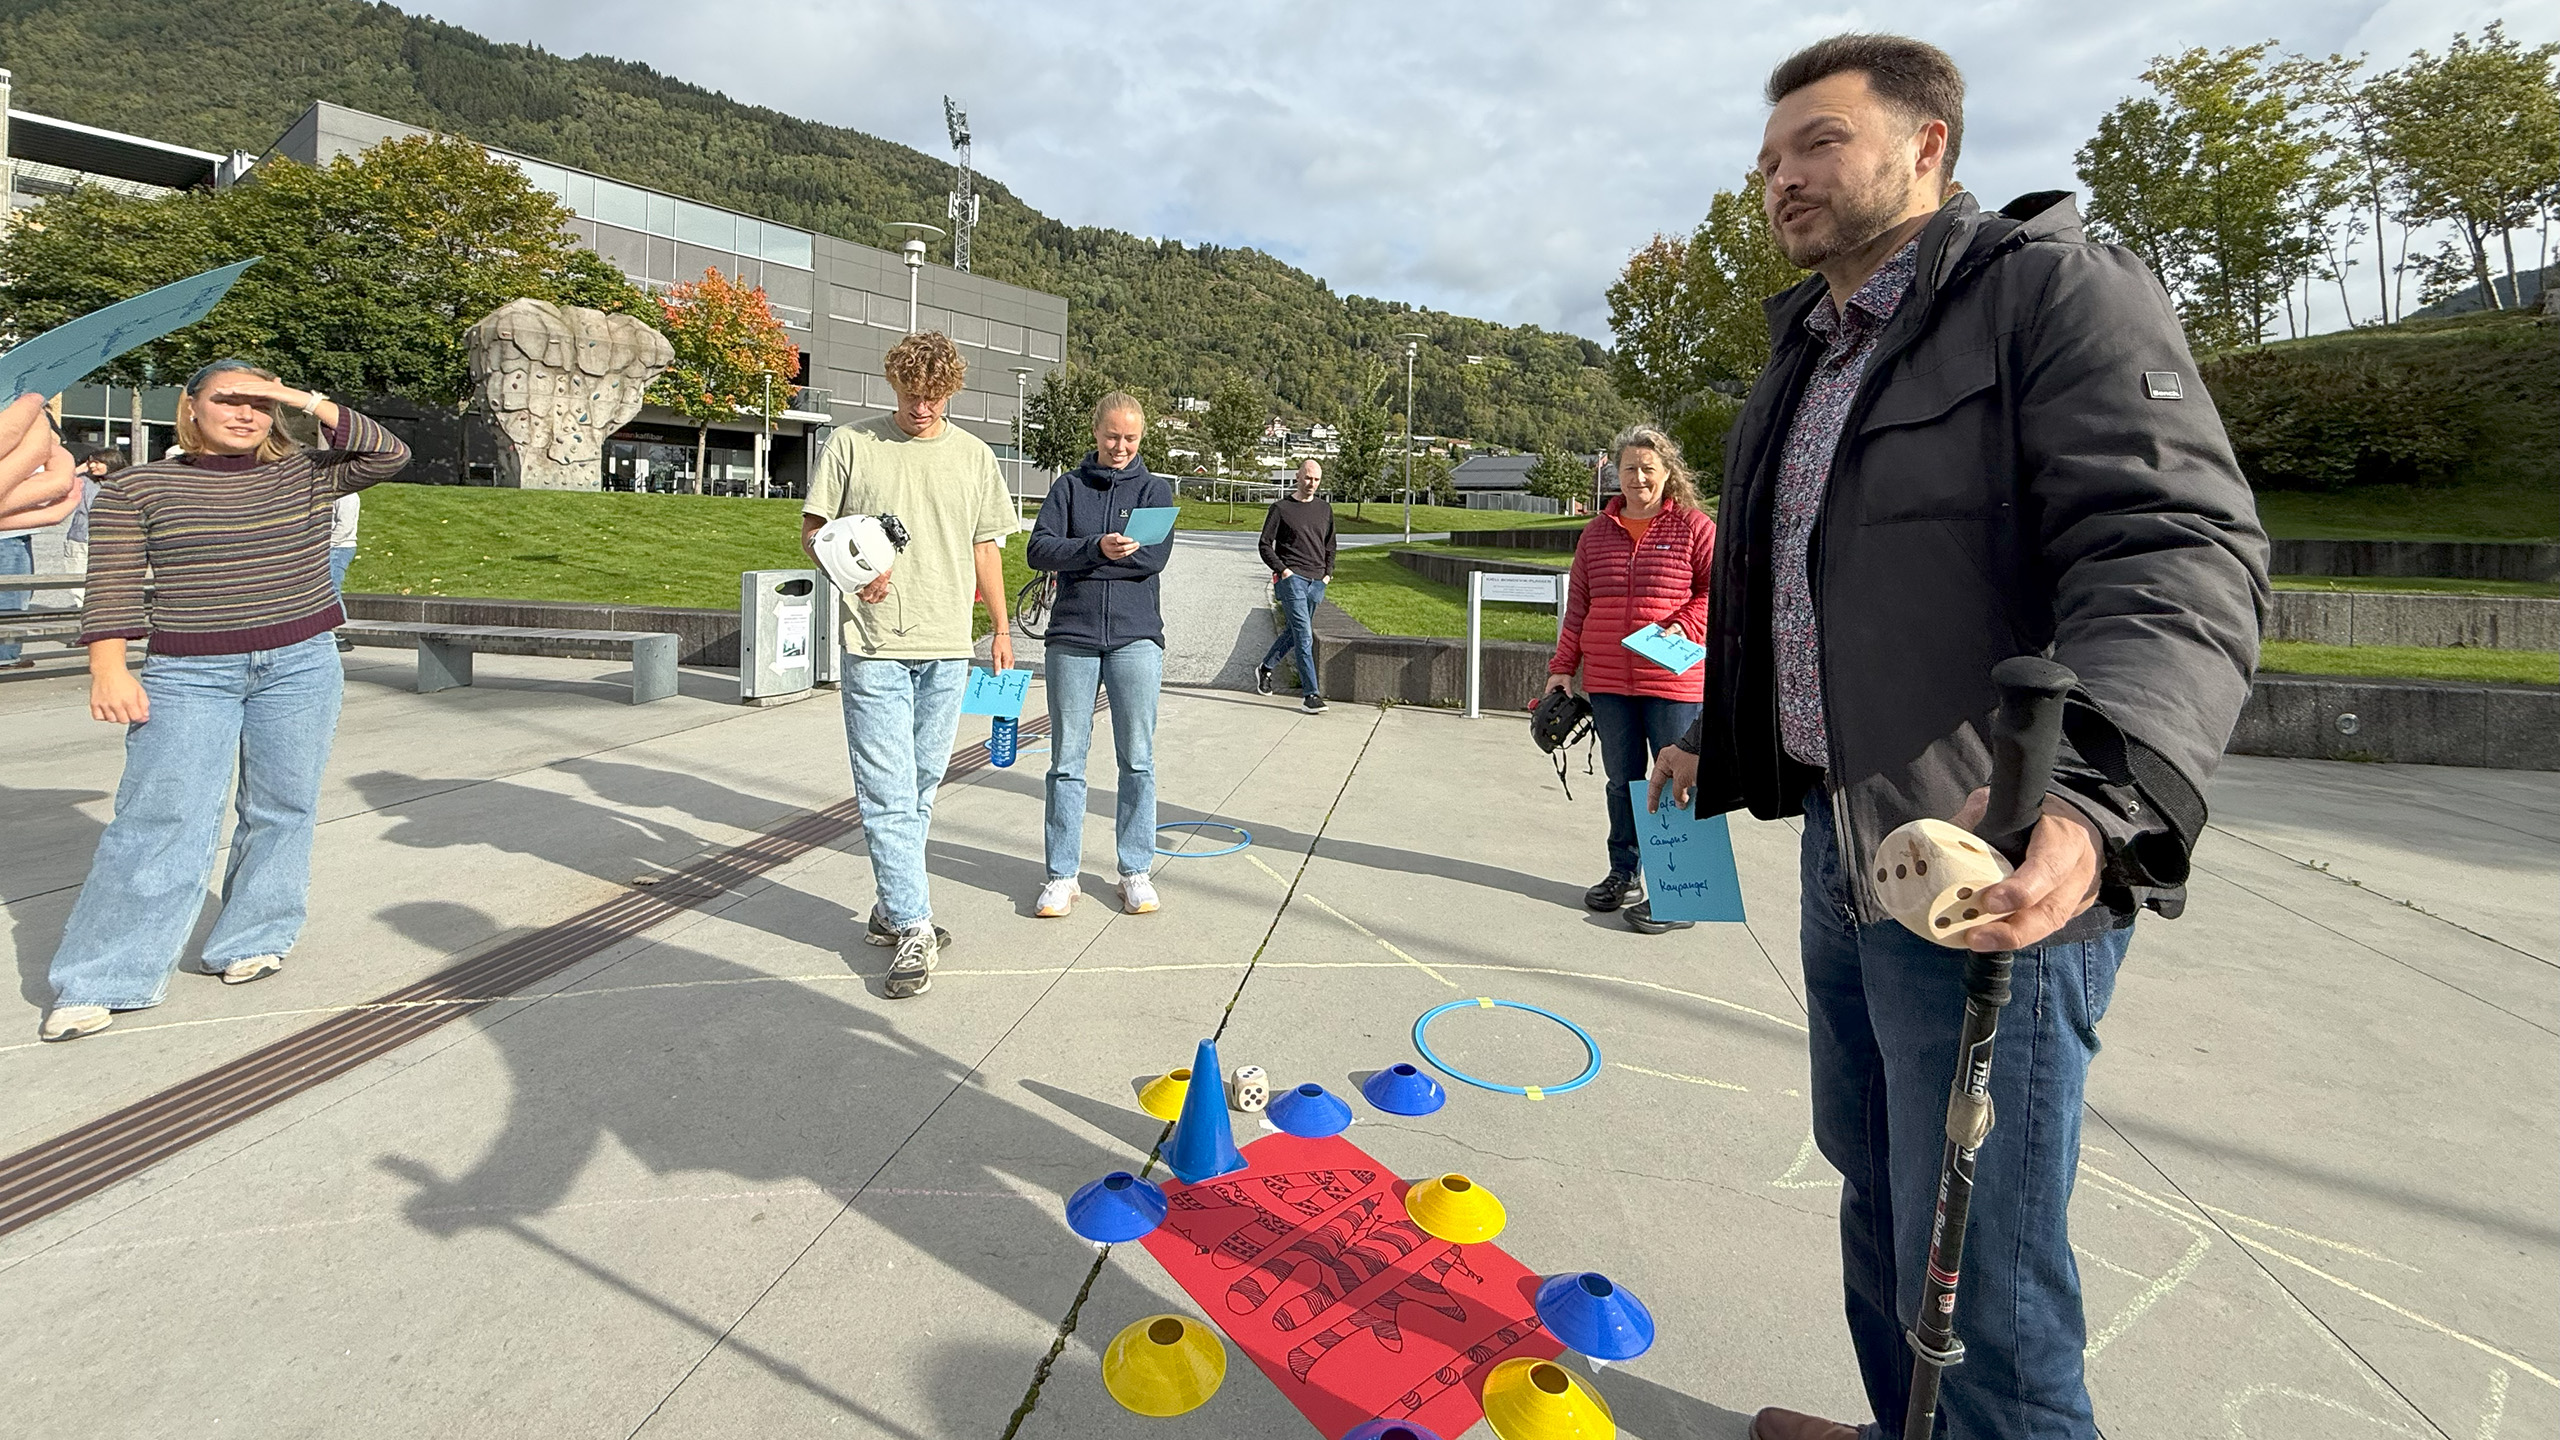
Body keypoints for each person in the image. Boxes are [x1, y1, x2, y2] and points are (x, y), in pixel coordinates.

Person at [1645, 37, 2266, 1440]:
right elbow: (1792, 589)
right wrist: (1712, 732)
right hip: (1842, 845)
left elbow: (2177, 551)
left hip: (1986, 860)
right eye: (1767, 159)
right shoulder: (1807, 349)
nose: (1779, 179)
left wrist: (2098, 799)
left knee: (1982, 1262)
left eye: (1816, 142)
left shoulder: (2052, 293)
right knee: (1872, 1174)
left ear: (1929, 146)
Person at [41, 361, 412, 1042]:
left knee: (282, 806)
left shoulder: (305, 471)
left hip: (301, 664)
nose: (245, 414)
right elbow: (114, 584)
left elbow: (390, 452)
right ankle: (105, 974)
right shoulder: (140, 486)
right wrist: (108, 669)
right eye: (228, 400)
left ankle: (253, 937)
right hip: (188, 672)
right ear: (189, 408)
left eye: (258, 404)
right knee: (161, 817)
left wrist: (297, 399)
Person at [801, 331, 1014, 1000]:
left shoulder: (975, 458)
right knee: (888, 791)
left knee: (921, 785)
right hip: (874, 646)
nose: (922, 408)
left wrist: (1001, 630)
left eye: (935, 397)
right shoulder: (852, 445)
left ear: (952, 391)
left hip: (949, 646)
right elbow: (813, 531)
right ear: (893, 384)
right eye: (911, 395)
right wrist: (850, 572)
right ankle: (917, 926)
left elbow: (986, 550)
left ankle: (891, 907)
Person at [1544, 425, 1715, 934]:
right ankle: (1625, 873)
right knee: (1623, 782)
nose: (1637, 478)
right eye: (1628, 469)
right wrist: (1561, 669)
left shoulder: (1694, 527)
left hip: (1673, 679)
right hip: (1610, 681)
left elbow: (1717, 592)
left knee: (1678, 782)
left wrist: (1681, 625)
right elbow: (1578, 608)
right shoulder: (1596, 533)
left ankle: (1683, 890)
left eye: (1648, 468)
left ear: (1667, 473)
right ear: (1614, 474)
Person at [1024, 391, 1175, 919]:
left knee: (1137, 758)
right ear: (1095, 432)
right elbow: (1038, 550)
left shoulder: (1158, 489)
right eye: (1112, 435)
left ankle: (1134, 870)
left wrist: (1088, 560)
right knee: (1066, 761)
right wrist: (1094, 549)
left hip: (1136, 637)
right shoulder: (1068, 487)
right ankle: (1062, 876)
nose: (1120, 446)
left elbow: (1154, 559)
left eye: (1130, 437)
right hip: (1073, 636)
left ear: (1142, 437)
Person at [1255, 459, 1334, 713]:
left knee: (1296, 631)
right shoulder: (1281, 508)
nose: (1312, 484)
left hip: (1317, 582)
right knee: (1304, 635)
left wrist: (1326, 576)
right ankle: (1311, 694)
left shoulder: (1325, 509)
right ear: (1298, 477)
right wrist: (1284, 571)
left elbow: (1330, 545)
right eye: (1308, 478)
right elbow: (1265, 544)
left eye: (1317, 479)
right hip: (1292, 580)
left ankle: (1266, 667)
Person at [329, 491, 362, 650]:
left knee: (332, 590)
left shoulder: (347, 496)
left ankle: (338, 633)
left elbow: (345, 526)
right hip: (334, 547)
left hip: (339, 548)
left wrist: (327, 544)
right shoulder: (335, 494)